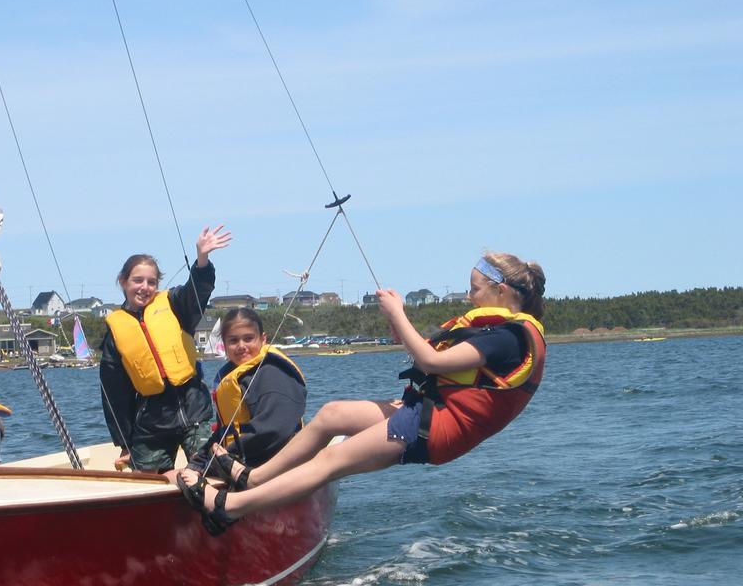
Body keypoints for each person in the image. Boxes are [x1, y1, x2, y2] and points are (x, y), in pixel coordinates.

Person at [178, 252, 547, 536]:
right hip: (429, 412)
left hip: (436, 428)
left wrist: (399, 312)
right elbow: (427, 352)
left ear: (501, 292)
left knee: (330, 461)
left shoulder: (507, 338)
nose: (469, 295)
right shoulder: (497, 332)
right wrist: (396, 323)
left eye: (475, 288)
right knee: (333, 415)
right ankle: (256, 478)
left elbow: (432, 362)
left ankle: (230, 506)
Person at [100, 225, 232, 473]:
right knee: (148, 480)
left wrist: (202, 259)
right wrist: (124, 442)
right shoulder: (115, 332)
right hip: (152, 422)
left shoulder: (175, 304)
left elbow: (197, 291)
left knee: (212, 470)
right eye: (137, 280)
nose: (144, 287)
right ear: (123, 282)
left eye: (151, 282)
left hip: (194, 412)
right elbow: (114, 394)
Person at [166, 307, 306, 486]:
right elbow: (227, 431)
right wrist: (200, 461)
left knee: (176, 477)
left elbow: (275, 430)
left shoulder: (272, 374)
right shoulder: (235, 376)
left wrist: (223, 458)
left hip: (273, 467)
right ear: (224, 345)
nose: (241, 346)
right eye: (233, 341)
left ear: (263, 339)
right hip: (241, 461)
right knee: (173, 476)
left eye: (248, 338)